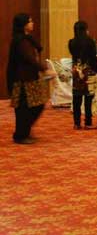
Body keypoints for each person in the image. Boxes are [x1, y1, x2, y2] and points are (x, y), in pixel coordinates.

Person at [6, 13, 56, 144]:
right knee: (25, 108)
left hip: (29, 78)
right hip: (22, 79)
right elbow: (30, 59)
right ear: (24, 25)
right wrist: (44, 69)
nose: (32, 23)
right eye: (30, 21)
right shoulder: (21, 41)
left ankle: (23, 132)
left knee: (33, 106)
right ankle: (20, 135)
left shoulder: (26, 39)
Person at [68, 21, 97, 130]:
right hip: (89, 72)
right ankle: (88, 122)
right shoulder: (90, 42)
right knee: (88, 99)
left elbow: (74, 57)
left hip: (77, 72)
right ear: (85, 30)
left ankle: (76, 123)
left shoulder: (71, 42)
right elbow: (93, 59)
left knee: (76, 98)